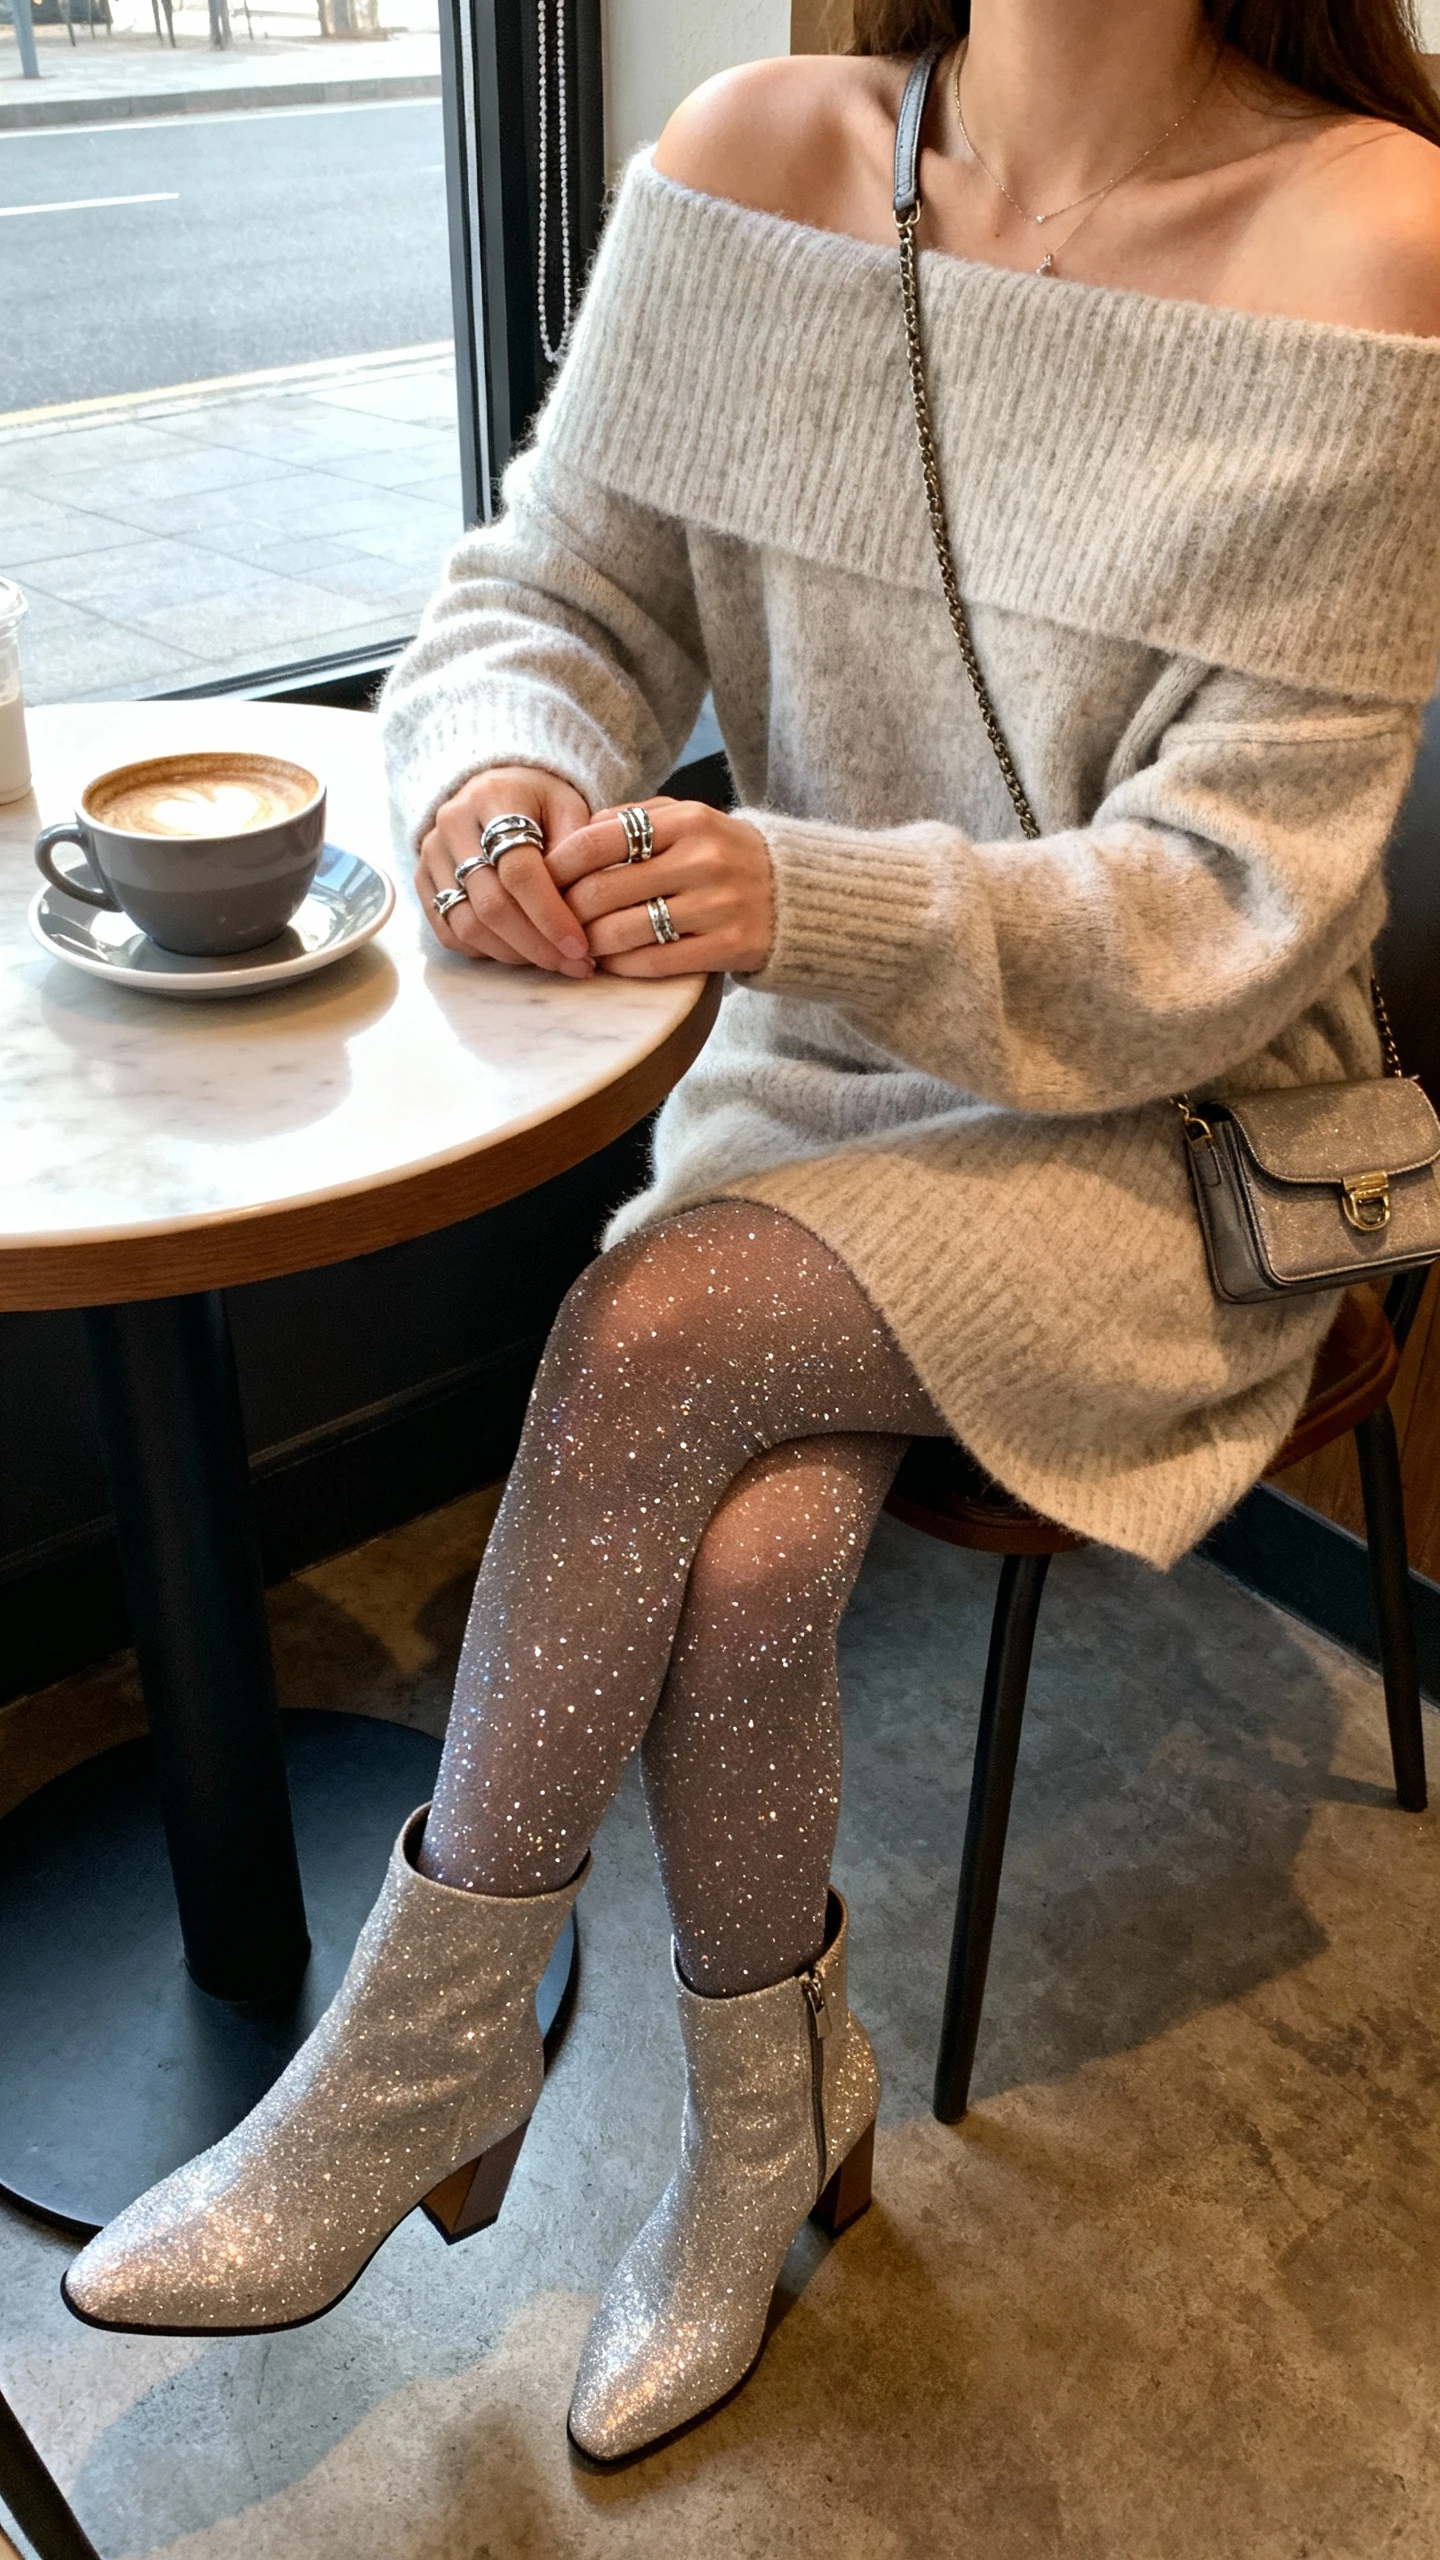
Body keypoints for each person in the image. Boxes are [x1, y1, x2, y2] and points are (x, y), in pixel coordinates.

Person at [65, 0, 1440, 2469]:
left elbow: (1228, 909)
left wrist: (797, 889)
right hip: (835, 1080)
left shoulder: (1376, 232)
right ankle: (767, 2112)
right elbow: (557, 596)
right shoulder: (752, 156)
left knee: (663, 1314)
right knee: (735, 1564)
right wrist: (504, 769)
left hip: (1188, 1132)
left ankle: (419, 2049)